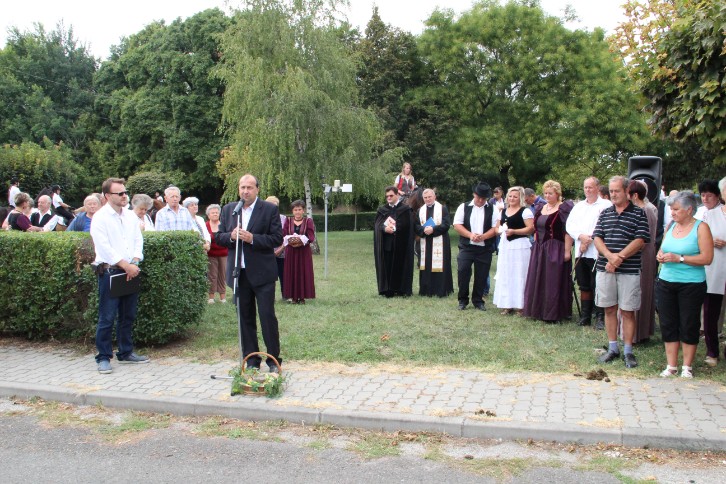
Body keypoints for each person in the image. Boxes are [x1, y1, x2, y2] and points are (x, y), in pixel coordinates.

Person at [216, 174, 283, 372]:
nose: (245, 191)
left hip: (263, 274)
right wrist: (231, 236)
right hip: (239, 275)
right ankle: (252, 360)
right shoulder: (230, 209)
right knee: (244, 318)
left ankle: (273, 360)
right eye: (242, 187)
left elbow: (276, 238)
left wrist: (253, 238)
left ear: (257, 189)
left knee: (267, 317)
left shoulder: (269, 209)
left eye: (249, 187)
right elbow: (219, 237)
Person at [91, 178, 148, 374]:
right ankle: (103, 357)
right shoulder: (100, 217)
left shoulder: (130, 216)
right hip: (111, 272)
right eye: (120, 193)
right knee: (107, 317)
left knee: (128, 315)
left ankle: (125, 352)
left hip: (131, 270)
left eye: (125, 192)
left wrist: (135, 261)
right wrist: (125, 265)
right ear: (108, 196)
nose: (125, 196)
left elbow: (138, 239)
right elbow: (103, 247)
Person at [593, 176, 650, 369]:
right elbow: (597, 237)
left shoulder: (639, 213)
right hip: (605, 268)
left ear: (627, 191)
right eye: (611, 191)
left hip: (629, 270)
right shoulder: (605, 213)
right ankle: (612, 348)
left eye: (617, 191)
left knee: (627, 311)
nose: (613, 194)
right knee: (609, 308)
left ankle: (628, 350)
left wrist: (620, 258)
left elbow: (640, 240)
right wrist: (610, 257)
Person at [656, 191, 713, 378]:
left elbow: (707, 258)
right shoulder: (671, 225)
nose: (672, 213)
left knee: (689, 323)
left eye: (676, 209)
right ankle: (671, 365)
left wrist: (680, 258)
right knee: (668, 323)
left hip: (691, 284)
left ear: (689, 210)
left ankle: (686, 367)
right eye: (671, 209)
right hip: (666, 281)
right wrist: (660, 255)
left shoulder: (701, 227)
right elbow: (663, 248)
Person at [522, 180, 574, 322]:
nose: (547, 196)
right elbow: (536, 229)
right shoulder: (540, 208)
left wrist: (567, 251)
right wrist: (535, 245)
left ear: (557, 194)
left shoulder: (564, 208)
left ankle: (553, 313)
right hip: (539, 248)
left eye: (550, 193)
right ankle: (537, 310)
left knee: (552, 280)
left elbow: (568, 231)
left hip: (555, 248)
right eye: (545, 193)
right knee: (538, 278)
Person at [566, 177, 612, 327]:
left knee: (598, 284)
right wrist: (580, 236)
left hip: (597, 252)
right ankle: (585, 316)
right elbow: (570, 225)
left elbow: (606, 225)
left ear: (597, 188)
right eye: (585, 187)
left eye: (590, 187)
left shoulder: (606, 205)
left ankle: (600, 316)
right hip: (582, 251)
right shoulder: (579, 206)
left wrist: (590, 238)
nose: (587, 190)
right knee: (584, 284)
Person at [453, 182, 499, 310]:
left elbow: (495, 227)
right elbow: (457, 224)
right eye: (478, 197)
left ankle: (478, 301)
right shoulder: (463, 207)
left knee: (482, 274)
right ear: (474, 194)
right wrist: (470, 235)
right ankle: (462, 300)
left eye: (483, 198)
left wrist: (483, 236)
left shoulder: (493, 209)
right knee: (463, 271)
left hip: (484, 247)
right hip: (467, 246)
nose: (480, 200)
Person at [493, 186, 534, 314]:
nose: (512, 198)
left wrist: (514, 231)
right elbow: (496, 228)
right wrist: (500, 231)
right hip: (506, 246)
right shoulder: (503, 211)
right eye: (510, 196)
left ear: (520, 198)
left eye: (515, 196)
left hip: (520, 246)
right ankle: (507, 304)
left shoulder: (525, 211)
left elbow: (530, 229)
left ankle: (521, 305)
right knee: (506, 273)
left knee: (520, 274)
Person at [628, 180, 658, 343]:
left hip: (642, 256)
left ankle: (639, 332)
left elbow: (646, 238)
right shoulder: (635, 209)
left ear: (634, 195)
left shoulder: (648, 209)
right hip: (632, 254)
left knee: (640, 290)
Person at [702, 176, 726, 366]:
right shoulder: (710, 215)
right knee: (710, 312)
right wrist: (710, 241)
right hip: (714, 268)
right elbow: (699, 238)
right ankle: (712, 351)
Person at [374, 186, 414, 298]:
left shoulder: (405, 209)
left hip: (402, 244)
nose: (389, 198)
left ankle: (401, 289)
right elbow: (377, 226)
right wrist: (384, 229)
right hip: (387, 244)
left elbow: (409, 226)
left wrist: (397, 227)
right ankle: (388, 290)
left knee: (401, 266)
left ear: (397, 195)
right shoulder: (382, 210)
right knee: (387, 266)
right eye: (387, 196)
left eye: (391, 195)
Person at [413, 188, 453, 297]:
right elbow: (416, 226)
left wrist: (433, 229)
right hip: (425, 241)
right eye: (425, 197)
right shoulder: (420, 211)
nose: (428, 199)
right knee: (426, 265)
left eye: (429, 197)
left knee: (441, 265)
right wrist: (424, 230)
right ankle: (426, 290)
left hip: (440, 241)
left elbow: (446, 224)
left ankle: (441, 290)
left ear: (434, 196)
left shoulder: (442, 209)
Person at [282, 200, 316, 303]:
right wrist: (290, 239)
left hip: (303, 251)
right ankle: (293, 297)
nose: (297, 212)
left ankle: (302, 297)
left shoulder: (308, 221)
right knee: (292, 272)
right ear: (292, 211)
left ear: (303, 210)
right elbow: (283, 234)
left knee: (303, 272)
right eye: (295, 210)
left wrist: (301, 240)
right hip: (291, 251)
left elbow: (311, 236)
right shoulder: (288, 220)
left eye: (299, 209)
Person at [206, 204, 228, 304]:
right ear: (208, 215)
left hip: (223, 254)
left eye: (217, 212)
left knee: (222, 275)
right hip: (210, 254)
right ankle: (211, 297)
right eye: (213, 213)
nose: (215, 214)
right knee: (212, 275)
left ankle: (222, 297)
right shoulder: (205, 225)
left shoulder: (224, 225)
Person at [265, 196, 287, 298]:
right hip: (267, 252)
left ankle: (285, 295)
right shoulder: (262, 218)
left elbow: (287, 235)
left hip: (281, 252)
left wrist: (281, 249)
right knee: (269, 277)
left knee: (283, 274)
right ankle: (270, 297)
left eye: (275, 206)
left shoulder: (284, 218)